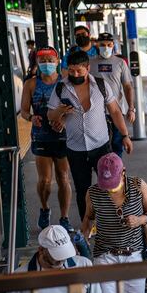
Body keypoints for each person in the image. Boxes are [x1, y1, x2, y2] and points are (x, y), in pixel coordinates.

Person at [47, 50, 133, 222]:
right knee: (83, 189)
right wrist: (60, 111)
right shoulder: (61, 88)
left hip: (101, 146)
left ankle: (115, 220)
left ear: (88, 68)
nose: (75, 74)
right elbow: (50, 115)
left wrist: (125, 135)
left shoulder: (100, 85)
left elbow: (115, 111)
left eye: (79, 70)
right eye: (71, 70)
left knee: (112, 185)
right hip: (75, 149)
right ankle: (88, 224)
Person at [81, 153, 147, 293]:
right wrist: (83, 236)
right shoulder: (93, 192)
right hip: (105, 255)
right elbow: (88, 217)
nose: (108, 188)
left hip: (134, 254)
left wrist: (139, 220)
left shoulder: (138, 185)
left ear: (123, 172)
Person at [4, 225, 103, 293]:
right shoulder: (19, 276)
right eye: (56, 255)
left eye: (64, 253)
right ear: (41, 250)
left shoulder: (84, 264)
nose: (61, 259)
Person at [19, 46, 73, 232]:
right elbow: (24, 111)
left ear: (57, 62)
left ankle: (64, 217)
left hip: (62, 136)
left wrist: (64, 121)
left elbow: (74, 107)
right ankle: (44, 208)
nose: (47, 64)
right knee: (45, 180)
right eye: (43, 61)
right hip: (41, 136)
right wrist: (30, 118)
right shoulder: (31, 84)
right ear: (37, 63)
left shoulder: (65, 83)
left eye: (51, 60)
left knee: (63, 178)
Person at [91, 33, 136, 157]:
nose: (106, 47)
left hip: (115, 112)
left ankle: (117, 174)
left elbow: (127, 86)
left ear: (113, 45)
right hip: (95, 113)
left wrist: (131, 108)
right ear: (97, 45)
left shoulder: (120, 63)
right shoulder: (89, 63)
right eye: (102, 45)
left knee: (117, 146)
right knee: (99, 148)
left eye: (109, 45)